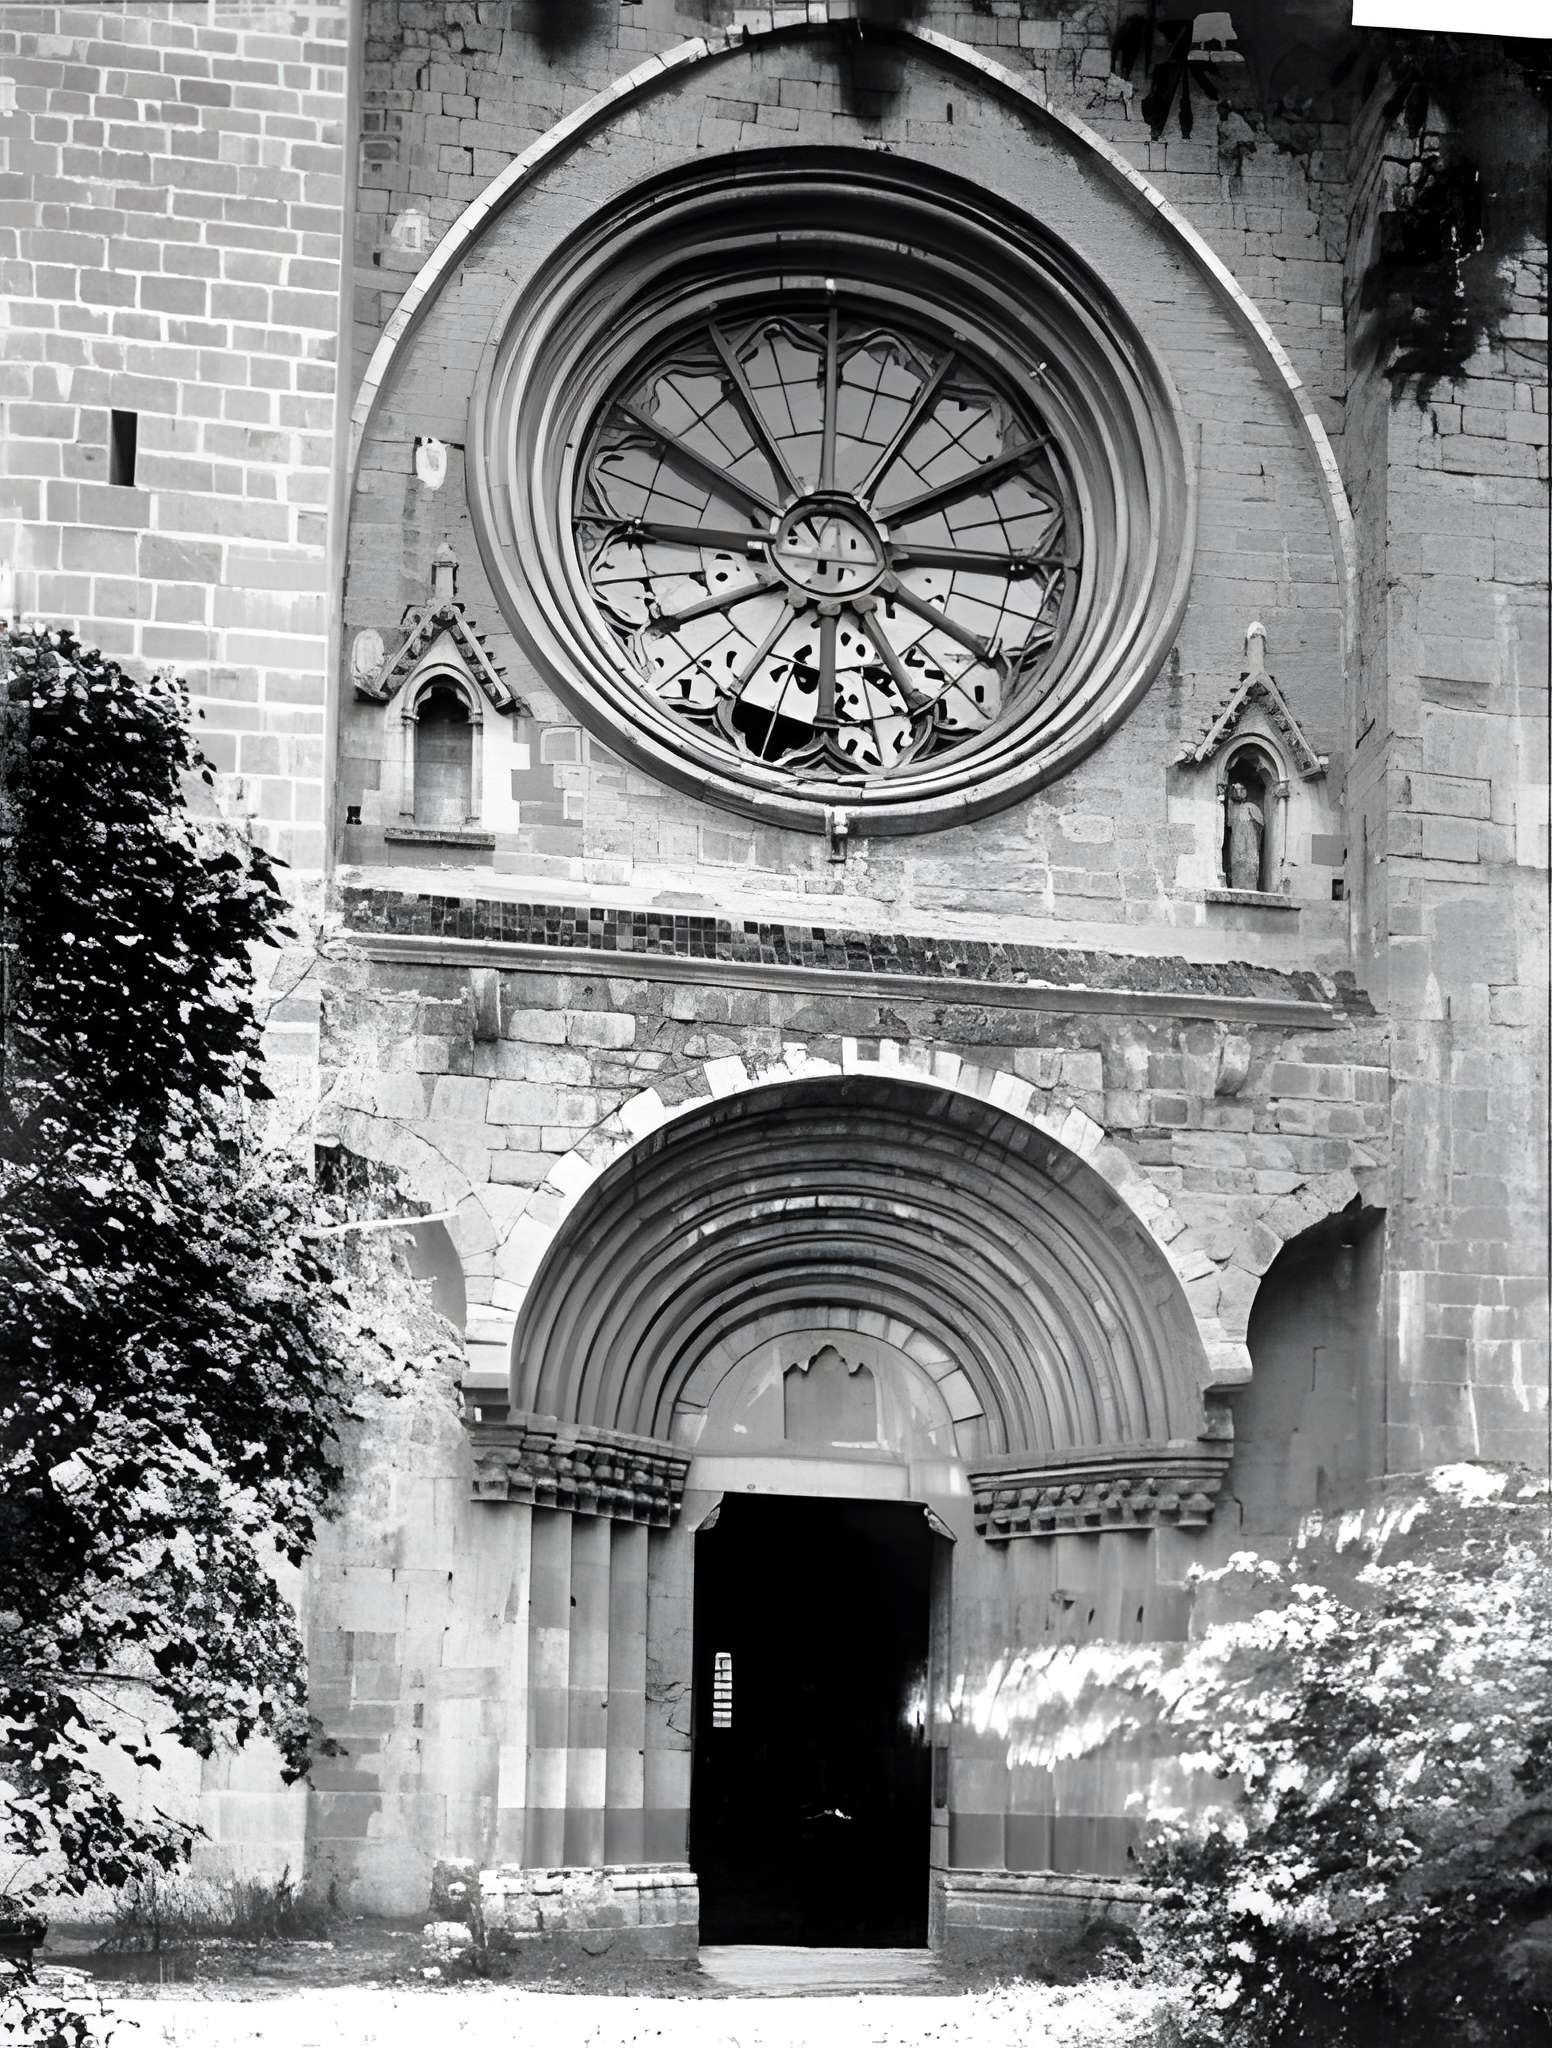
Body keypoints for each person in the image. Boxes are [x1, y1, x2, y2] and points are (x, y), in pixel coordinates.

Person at [1226, 779, 1264, 890]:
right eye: (1237, 789)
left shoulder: (1251, 806)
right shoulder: (1232, 807)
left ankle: (1251, 887)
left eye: (1242, 789)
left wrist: (1252, 821)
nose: (1240, 792)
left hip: (1250, 843)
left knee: (1250, 864)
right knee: (1237, 863)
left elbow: (1260, 825)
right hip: (1237, 843)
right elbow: (1229, 824)